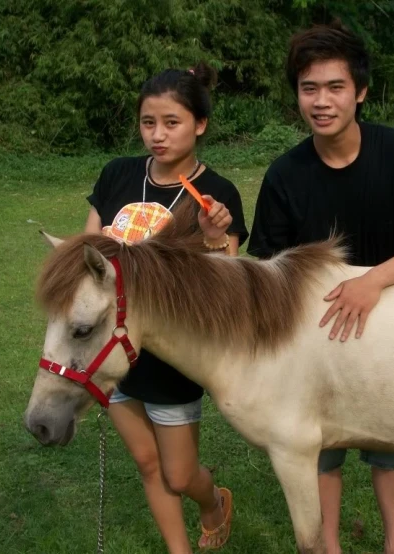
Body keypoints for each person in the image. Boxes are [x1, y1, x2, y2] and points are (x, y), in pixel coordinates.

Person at [247, 21, 394, 554]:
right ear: (297, 94)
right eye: (309, 88)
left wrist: (373, 282)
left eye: (335, 87)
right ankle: (332, 545)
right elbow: (264, 268)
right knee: (321, 448)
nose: (321, 102)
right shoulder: (284, 175)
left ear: (361, 92)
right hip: (313, 332)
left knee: (390, 446)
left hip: (388, 316)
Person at [85, 61, 248, 553]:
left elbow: (224, 291)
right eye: (148, 122)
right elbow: (89, 253)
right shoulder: (118, 174)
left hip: (172, 357)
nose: (157, 135)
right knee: (147, 464)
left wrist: (214, 238)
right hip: (113, 349)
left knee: (178, 474)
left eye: (172, 123)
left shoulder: (216, 196)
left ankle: (213, 501)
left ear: (200, 124)